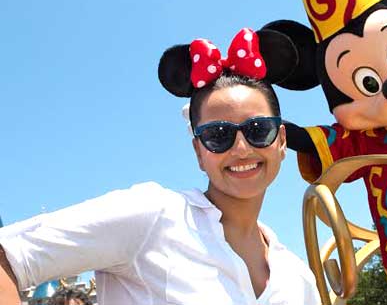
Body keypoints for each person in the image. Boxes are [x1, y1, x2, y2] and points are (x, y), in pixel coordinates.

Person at [0, 28, 321, 305]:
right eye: (217, 135)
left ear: (280, 141)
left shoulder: (296, 277)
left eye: (258, 130)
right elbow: (8, 253)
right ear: (198, 150)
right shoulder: (153, 218)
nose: (241, 148)